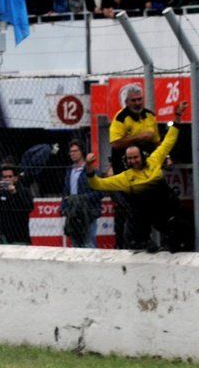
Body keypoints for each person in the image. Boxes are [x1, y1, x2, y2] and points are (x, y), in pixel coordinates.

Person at [85, 102, 189, 251]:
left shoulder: (154, 160)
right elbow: (97, 184)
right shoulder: (125, 178)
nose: (133, 161)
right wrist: (89, 169)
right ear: (126, 161)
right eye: (130, 159)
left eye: (136, 157)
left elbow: (169, 140)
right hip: (147, 218)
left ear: (142, 156)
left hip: (167, 212)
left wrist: (177, 116)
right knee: (135, 214)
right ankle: (141, 243)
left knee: (181, 230)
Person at [61, 140, 103, 248]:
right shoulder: (69, 171)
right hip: (73, 213)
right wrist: (63, 207)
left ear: (82, 152)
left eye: (75, 151)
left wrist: (82, 199)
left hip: (88, 212)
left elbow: (100, 192)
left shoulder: (91, 170)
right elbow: (66, 191)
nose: (72, 154)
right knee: (75, 245)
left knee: (89, 244)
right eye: (71, 151)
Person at [109, 85, 159, 174]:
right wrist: (140, 137)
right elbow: (115, 144)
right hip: (125, 165)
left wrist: (166, 157)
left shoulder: (150, 115)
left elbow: (157, 142)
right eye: (133, 100)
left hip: (146, 164)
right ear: (127, 102)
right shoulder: (120, 118)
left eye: (139, 99)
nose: (137, 103)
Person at [0, 166, 34, 244]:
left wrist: (14, 193)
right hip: (3, 233)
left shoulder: (24, 191)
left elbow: (29, 208)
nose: (7, 179)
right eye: (4, 177)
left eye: (10, 176)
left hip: (20, 234)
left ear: (15, 178)